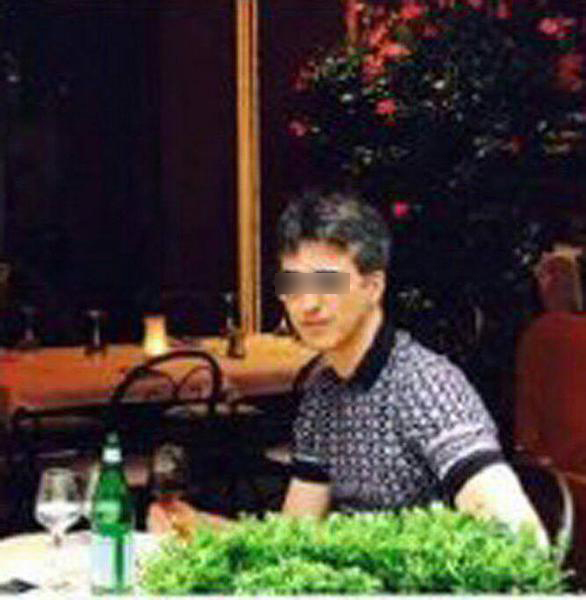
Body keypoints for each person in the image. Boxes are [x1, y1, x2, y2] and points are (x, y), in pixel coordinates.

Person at [148, 190, 547, 547]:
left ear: (373, 287)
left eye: (327, 283)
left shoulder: (425, 387)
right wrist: (202, 527)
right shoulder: (324, 394)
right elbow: (293, 541)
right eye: (293, 284)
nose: (307, 304)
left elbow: (524, 542)